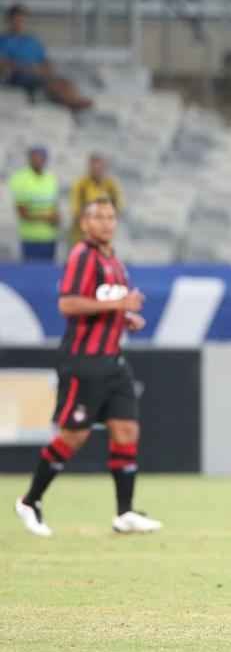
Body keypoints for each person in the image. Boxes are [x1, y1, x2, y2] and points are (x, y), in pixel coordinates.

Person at [14, 197, 163, 537]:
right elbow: (68, 303)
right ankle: (30, 500)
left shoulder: (115, 262)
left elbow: (106, 305)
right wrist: (118, 303)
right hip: (84, 361)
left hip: (113, 362)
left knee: (126, 430)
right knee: (73, 435)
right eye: (99, 217)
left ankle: (124, 512)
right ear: (85, 223)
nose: (107, 223)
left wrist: (126, 317)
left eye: (111, 217)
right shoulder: (83, 255)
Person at [0, 4, 92, 110]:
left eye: (22, 19)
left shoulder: (32, 41)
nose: (19, 23)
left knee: (64, 81)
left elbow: (44, 60)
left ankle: (75, 99)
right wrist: (28, 68)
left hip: (38, 72)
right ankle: (71, 103)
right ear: (9, 20)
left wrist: (46, 69)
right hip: (20, 75)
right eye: (16, 19)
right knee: (48, 84)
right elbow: (3, 63)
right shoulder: (4, 41)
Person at [8, 144, 59, 262]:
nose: (38, 160)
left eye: (41, 157)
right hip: (30, 238)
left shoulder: (51, 179)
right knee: (31, 273)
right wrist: (46, 217)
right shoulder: (20, 179)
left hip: (49, 238)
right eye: (35, 156)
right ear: (30, 158)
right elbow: (22, 213)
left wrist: (56, 218)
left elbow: (54, 208)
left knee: (48, 274)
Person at [68, 153, 124, 244]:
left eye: (100, 166)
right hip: (82, 238)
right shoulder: (81, 185)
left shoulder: (111, 186)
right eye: (94, 166)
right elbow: (75, 212)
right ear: (89, 167)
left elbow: (118, 209)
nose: (97, 169)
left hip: (103, 240)